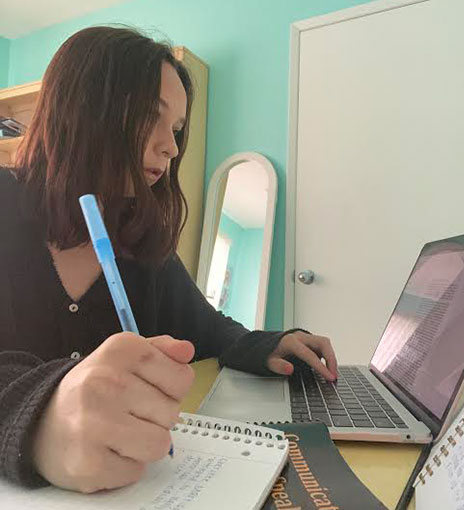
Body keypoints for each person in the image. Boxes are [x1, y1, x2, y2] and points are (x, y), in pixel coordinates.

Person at [0, 25, 337, 495]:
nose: (172, 147)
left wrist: (268, 344)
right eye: (149, 117)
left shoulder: (140, 240)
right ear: (81, 107)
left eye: (177, 130)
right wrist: (36, 423)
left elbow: (206, 329)